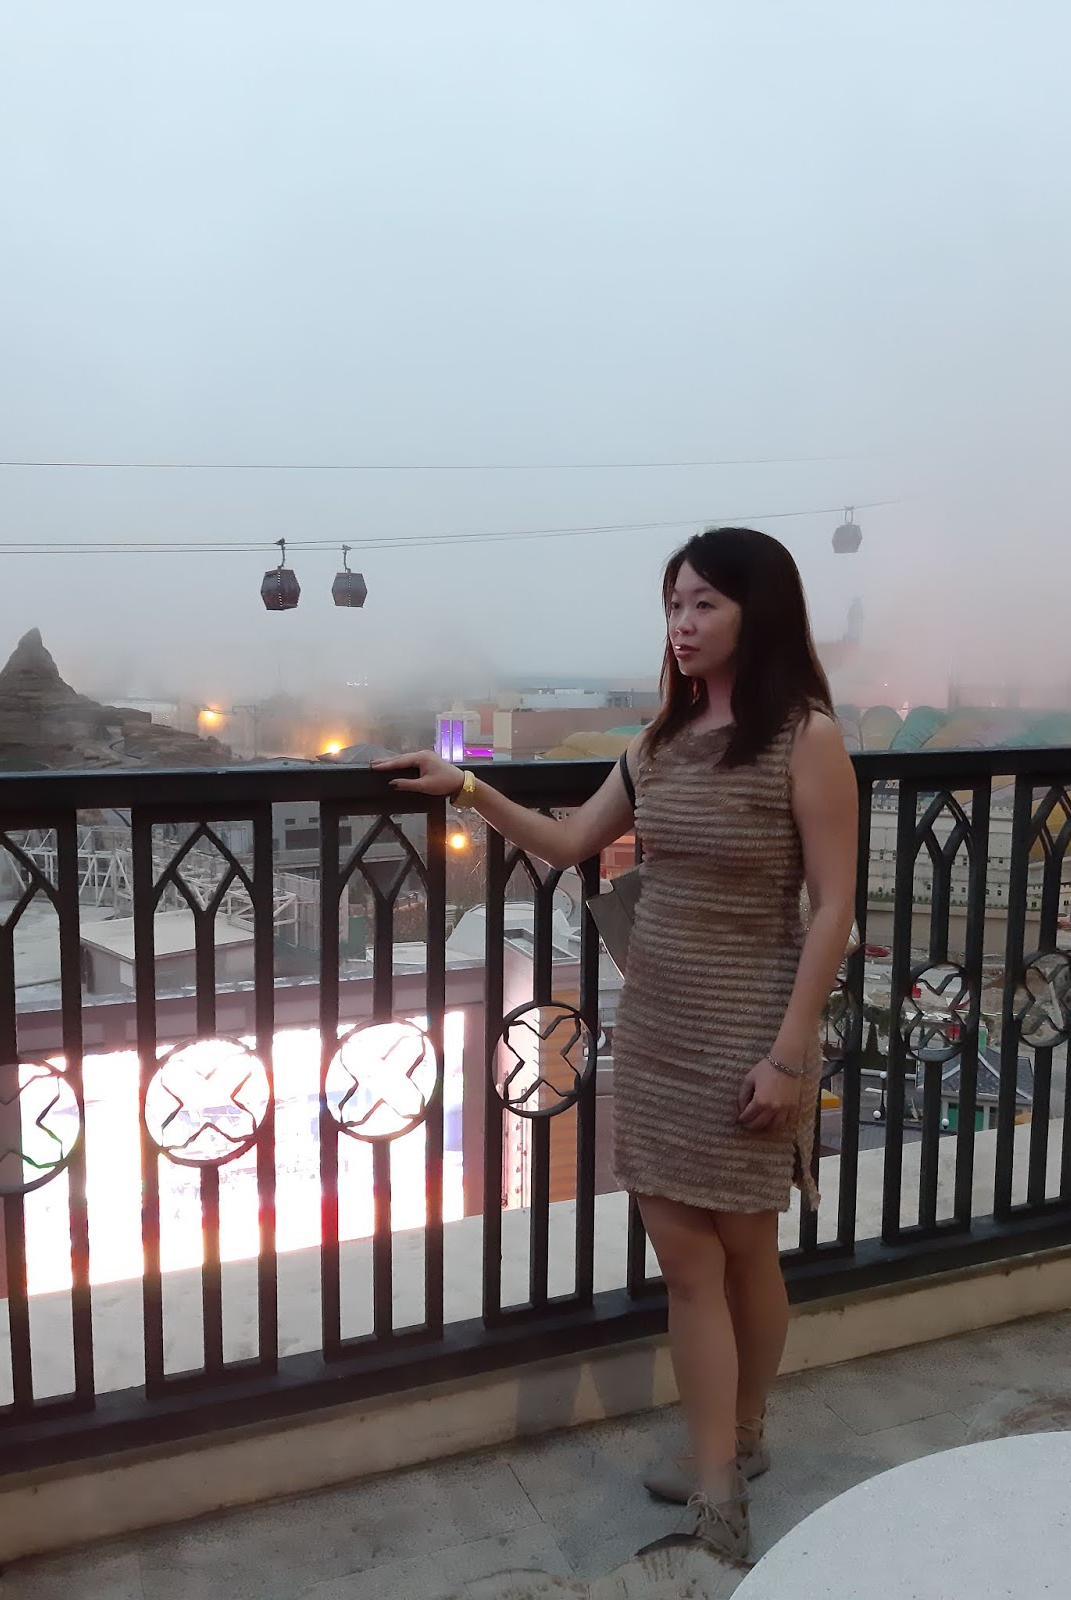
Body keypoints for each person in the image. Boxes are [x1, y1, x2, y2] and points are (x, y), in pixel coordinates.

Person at [373, 527, 857, 1565]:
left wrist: (788, 1054)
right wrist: (465, 787)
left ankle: (745, 1435)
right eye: (674, 605)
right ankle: (717, 1477)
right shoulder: (657, 743)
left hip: (754, 1031)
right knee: (687, 1263)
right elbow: (568, 842)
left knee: (746, 1250)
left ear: (759, 613)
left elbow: (833, 907)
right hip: (659, 1031)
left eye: (705, 604)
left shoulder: (806, 738)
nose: (683, 624)